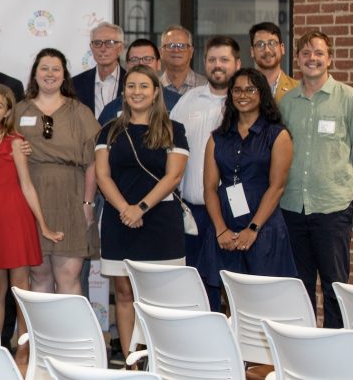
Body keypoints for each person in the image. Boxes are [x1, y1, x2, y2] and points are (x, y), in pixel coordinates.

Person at [95, 65, 189, 354]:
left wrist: (141, 208)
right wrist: (126, 209)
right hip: (118, 219)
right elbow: (102, 176)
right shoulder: (109, 130)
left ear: (155, 92)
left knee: (161, 299)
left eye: (143, 86)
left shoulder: (175, 129)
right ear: (124, 92)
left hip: (161, 222)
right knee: (124, 294)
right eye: (131, 86)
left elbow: (173, 176)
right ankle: (131, 361)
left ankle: (162, 360)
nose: (137, 92)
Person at [0, 84, 62, 362]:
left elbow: (27, 185)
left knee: (20, 288)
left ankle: (24, 345)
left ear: (8, 111)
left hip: (14, 218)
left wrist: (42, 225)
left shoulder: (14, 140)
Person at [197, 68, 296, 293]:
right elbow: (209, 189)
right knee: (231, 296)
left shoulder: (277, 135)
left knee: (264, 297)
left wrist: (253, 228)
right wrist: (220, 229)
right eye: (237, 90)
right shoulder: (217, 137)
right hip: (225, 224)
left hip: (264, 224)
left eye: (250, 89)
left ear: (262, 94)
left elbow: (277, 187)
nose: (243, 95)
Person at [279, 31, 353, 328]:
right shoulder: (286, 103)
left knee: (335, 287)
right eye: (306, 53)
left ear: (329, 58)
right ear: (297, 59)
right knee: (299, 288)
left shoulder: (347, 98)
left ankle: (335, 357)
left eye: (319, 53)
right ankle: (304, 356)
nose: (313, 58)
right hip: (293, 208)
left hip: (332, 208)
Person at [13, 48, 100, 295]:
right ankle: (42, 335)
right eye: (44, 68)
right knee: (38, 275)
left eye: (56, 69)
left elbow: (93, 161)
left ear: (64, 76)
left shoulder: (79, 112)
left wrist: (88, 202)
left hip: (71, 199)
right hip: (31, 199)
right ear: (34, 74)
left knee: (69, 275)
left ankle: (70, 335)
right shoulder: (19, 111)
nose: (49, 74)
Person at [169, 36, 242, 308]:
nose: (217, 65)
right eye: (212, 60)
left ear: (237, 63)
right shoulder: (189, 100)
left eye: (224, 60)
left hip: (233, 211)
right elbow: (169, 146)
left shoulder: (245, 102)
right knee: (197, 281)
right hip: (194, 210)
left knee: (234, 281)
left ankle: (236, 344)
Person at [98, 39, 182, 125]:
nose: (141, 64)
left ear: (159, 64)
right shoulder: (112, 110)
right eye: (134, 60)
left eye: (148, 59)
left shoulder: (179, 104)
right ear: (127, 66)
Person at [71, 22, 126, 119]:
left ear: (120, 48)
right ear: (91, 48)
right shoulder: (75, 84)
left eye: (109, 43)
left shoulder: (130, 82)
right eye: (97, 43)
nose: (103, 49)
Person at [249, 22, 299, 103]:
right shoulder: (242, 90)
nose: (267, 50)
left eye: (272, 43)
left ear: (282, 48)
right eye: (260, 44)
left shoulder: (297, 89)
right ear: (252, 51)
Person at [160, 25, 208, 95]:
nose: (176, 50)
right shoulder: (154, 87)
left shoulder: (206, 86)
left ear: (191, 52)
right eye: (171, 46)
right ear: (161, 52)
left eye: (182, 46)